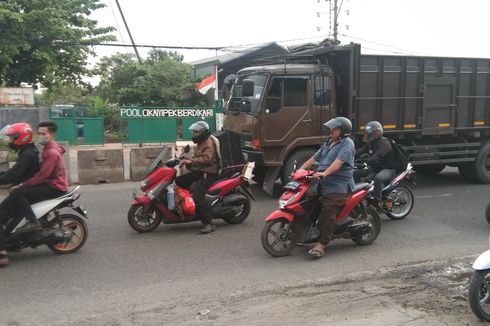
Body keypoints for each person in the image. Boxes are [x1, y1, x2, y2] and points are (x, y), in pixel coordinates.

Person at [299, 117, 355, 258]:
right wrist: (299, 171)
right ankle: (302, 233)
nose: (330, 131)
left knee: (327, 213)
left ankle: (322, 244)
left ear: (343, 131)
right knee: (306, 203)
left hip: (338, 186)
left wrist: (324, 173)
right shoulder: (328, 143)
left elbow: (338, 163)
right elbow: (313, 159)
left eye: (334, 129)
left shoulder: (347, 144)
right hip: (323, 183)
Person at [8, 121, 68, 234]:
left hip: (54, 187)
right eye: (39, 133)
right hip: (51, 183)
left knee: (18, 193)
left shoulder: (51, 153)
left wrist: (21, 185)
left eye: (44, 134)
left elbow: (41, 177)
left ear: (52, 135)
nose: (40, 136)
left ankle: (33, 222)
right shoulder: (48, 148)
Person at [0, 123, 41, 267]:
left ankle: (2, 254)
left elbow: (14, 174)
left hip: (24, 192)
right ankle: (12, 242)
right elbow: (15, 172)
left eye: (12, 137)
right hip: (23, 189)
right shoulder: (27, 151)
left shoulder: (27, 154)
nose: (10, 141)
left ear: (21, 138)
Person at [175, 121, 220, 234]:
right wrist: (186, 157)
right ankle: (188, 205)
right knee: (179, 181)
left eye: (196, 132)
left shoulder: (208, 143)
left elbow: (206, 159)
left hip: (208, 173)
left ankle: (209, 223)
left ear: (203, 133)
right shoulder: (201, 142)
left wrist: (190, 160)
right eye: (193, 132)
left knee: (198, 197)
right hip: (200, 171)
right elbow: (198, 157)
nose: (194, 134)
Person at [354, 121, 397, 204]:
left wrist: (365, 164)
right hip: (376, 167)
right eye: (367, 133)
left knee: (378, 178)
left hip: (388, 168)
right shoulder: (371, 143)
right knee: (355, 173)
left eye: (370, 133)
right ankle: (357, 194)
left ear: (377, 133)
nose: (367, 135)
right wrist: (346, 159)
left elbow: (378, 156)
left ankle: (377, 200)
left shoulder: (385, 143)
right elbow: (359, 152)